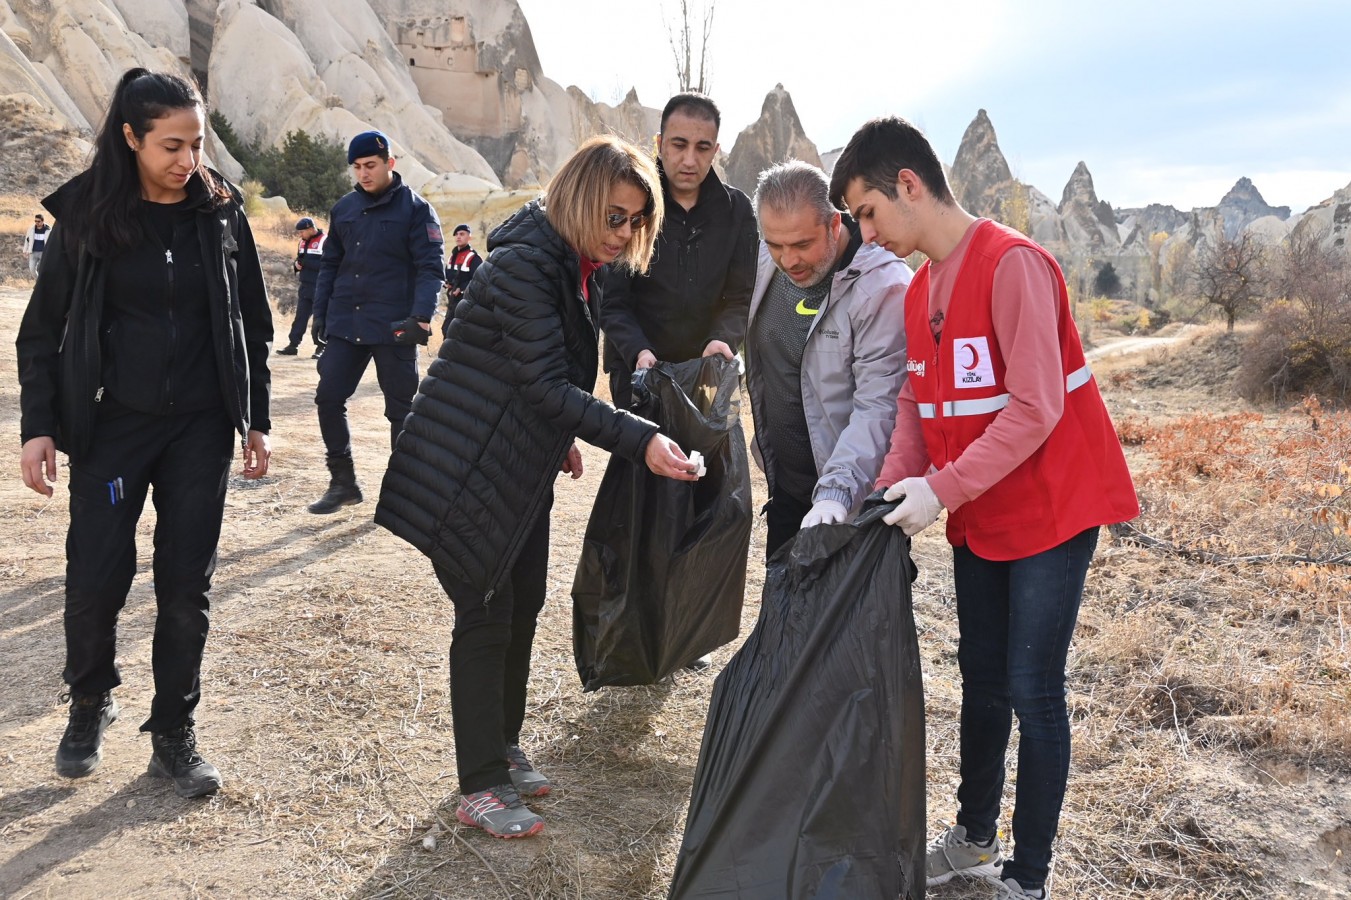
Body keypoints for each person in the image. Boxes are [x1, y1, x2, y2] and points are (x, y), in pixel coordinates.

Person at [829, 116, 1140, 900]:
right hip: (983, 513)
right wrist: (887, 486)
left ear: (907, 184)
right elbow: (913, 403)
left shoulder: (1013, 266)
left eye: (866, 212)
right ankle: (972, 838)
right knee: (980, 677)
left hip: (1051, 511)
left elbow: (1035, 409)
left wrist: (940, 489)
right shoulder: (920, 291)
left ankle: (1026, 877)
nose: (865, 235)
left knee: (1033, 687)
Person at [374, 135, 699, 839]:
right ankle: (480, 784)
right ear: (580, 200)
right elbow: (542, 381)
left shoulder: (576, 266)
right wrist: (639, 439)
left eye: (635, 221)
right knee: (486, 612)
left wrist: (555, 448)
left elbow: (534, 377)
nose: (624, 234)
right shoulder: (528, 265)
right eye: (614, 216)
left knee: (522, 602)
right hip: (465, 469)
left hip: (512, 464)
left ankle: (502, 748)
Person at [15, 67, 273, 799]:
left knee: (186, 587)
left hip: (198, 429)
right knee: (97, 581)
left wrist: (254, 417)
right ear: (129, 138)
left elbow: (251, 321)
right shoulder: (89, 217)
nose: (187, 160)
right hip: (112, 429)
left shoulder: (221, 213)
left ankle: (172, 734)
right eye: (170, 144)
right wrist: (39, 427)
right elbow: (41, 333)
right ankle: (90, 701)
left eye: (195, 142)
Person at [745, 160, 911, 558]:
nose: (789, 260)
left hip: (850, 507)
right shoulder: (765, 262)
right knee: (781, 615)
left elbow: (879, 407)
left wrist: (836, 494)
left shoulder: (883, 288)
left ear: (835, 224)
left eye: (803, 244)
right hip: (787, 491)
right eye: (775, 244)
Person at [308, 130, 444, 514]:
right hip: (346, 323)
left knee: (400, 409)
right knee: (328, 397)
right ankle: (343, 482)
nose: (364, 174)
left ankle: (403, 493)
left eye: (371, 166)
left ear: (390, 164)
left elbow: (430, 267)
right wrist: (321, 312)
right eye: (357, 167)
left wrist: (421, 316)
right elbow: (330, 263)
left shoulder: (416, 210)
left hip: (394, 325)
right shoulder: (344, 209)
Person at [599, 92, 757, 409]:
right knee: (638, 457)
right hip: (638, 371)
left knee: (703, 459)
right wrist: (638, 351)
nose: (689, 160)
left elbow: (740, 297)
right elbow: (613, 301)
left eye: (702, 148)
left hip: (705, 375)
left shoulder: (737, 210)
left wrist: (722, 339)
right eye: (679, 144)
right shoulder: (633, 204)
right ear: (660, 143)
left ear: (716, 150)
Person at [278, 216, 326, 358]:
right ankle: (293, 345)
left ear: (311, 229)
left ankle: (321, 348)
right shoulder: (302, 242)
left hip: (320, 287)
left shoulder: (325, 240)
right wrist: (296, 266)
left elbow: (327, 265)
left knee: (320, 319)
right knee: (300, 318)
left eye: (302, 231)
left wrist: (306, 263)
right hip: (305, 286)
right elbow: (300, 260)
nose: (300, 234)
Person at [441, 223, 482, 338]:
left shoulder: (473, 257)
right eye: (457, 234)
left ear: (469, 237)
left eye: (462, 234)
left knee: (458, 330)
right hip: (453, 300)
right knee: (447, 329)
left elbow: (480, 280)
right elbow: (448, 276)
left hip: (466, 301)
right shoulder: (451, 257)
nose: (458, 237)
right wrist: (447, 284)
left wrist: (462, 288)